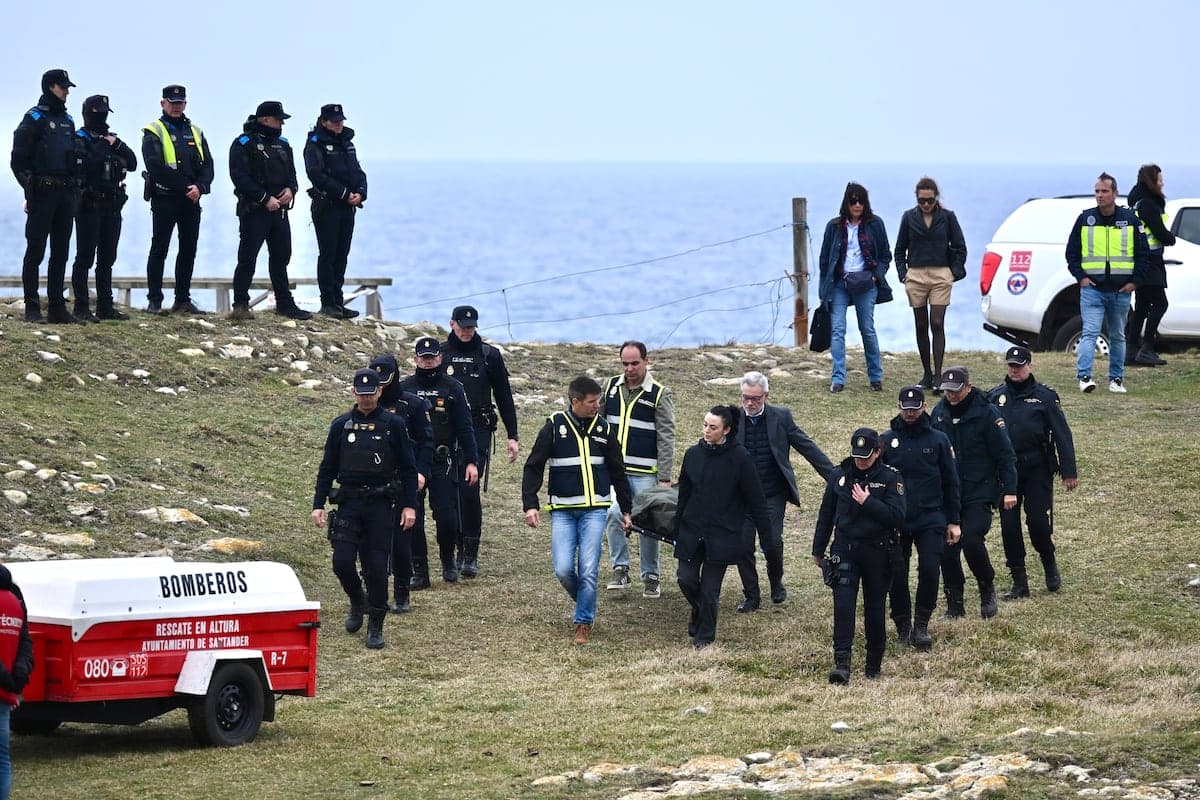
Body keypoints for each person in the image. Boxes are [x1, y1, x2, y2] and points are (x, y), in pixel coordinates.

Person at [312, 368, 418, 650]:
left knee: (376, 568)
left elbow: (408, 469)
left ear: (379, 393)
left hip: (382, 505)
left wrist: (410, 506)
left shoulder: (393, 425)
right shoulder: (341, 425)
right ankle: (358, 601)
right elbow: (327, 468)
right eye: (362, 393)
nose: (367, 398)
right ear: (353, 393)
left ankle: (376, 623)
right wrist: (318, 504)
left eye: (371, 393)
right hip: (348, 503)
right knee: (342, 561)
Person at [522, 376, 632, 646]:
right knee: (562, 569)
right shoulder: (554, 426)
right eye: (592, 402)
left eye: (598, 401)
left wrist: (627, 510)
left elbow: (618, 471)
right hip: (562, 511)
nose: (597, 406)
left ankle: (583, 621)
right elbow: (534, 465)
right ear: (575, 402)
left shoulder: (605, 429)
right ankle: (587, 600)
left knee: (589, 568)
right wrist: (530, 504)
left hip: (595, 511)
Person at [733, 371, 834, 612]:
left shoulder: (781, 417)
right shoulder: (732, 419)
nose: (749, 403)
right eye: (745, 397)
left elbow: (807, 446)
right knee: (742, 546)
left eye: (754, 398)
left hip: (771, 494)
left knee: (772, 542)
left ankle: (776, 581)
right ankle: (752, 595)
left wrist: (835, 477)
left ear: (766, 396)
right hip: (741, 497)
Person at [811, 428, 906, 682]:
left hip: (877, 552)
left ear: (877, 452)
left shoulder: (890, 478)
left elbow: (898, 516)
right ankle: (842, 663)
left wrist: (869, 502)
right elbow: (826, 513)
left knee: (875, 609)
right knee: (843, 607)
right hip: (845, 549)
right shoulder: (839, 476)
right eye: (857, 456)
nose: (860, 461)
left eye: (866, 456)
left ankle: (873, 665)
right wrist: (818, 549)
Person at [674, 405, 772, 649]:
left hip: (722, 534)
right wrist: (677, 528)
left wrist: (767, 537)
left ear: (726, 430)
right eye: (705, 425)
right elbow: (683, 494)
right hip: (692, 530)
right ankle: (698, 609)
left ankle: (705, 637)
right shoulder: (692, 454)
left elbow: (757, 500)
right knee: (685, 579)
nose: (706, 430)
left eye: (713, 427)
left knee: (710, 590)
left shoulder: (740, 458)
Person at [987, 346, 1078, 598]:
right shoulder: (995, 397)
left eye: (1019, 365)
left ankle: (1048, 560)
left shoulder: (1045, 397)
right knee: (1009, 527)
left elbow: (1062, 434)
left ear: (1030, 366)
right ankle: (1019, 581)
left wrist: (1069, 470)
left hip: (1037, 468)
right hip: (1007, 471)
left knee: (1038, 522)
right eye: (1011, 366)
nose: (1014, 370)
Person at [931, 366, 1017, 620]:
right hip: (948, 495)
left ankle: (986, 587)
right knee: (947, 548)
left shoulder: (987, 414)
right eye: (947, 392)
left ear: (968, 387)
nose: (952, 396)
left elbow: (1005, 455)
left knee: (971, 540)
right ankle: (954, 602)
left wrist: (1010, 489)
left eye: (956, 391)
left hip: (978, 491)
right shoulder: (939, 414)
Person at [441, 305, 520, 577]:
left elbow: (504, 397)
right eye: (462, 327)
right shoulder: (440, 354)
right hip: (446, 431)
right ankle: (453, 546)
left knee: (468, 488)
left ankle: (469, 553)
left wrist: (513, 435)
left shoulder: (489, 356)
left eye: (471, 327)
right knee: (448, 492)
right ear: (452, 324)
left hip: (478, 430)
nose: (466, 332)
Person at [882, 386, 961, 651]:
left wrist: (954, 521)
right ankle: (902, 624)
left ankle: (922, 623)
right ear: (898, 406)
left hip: (930, 516)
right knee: (897, 573)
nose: (910, 413)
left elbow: (951, 482)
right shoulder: (886, 441)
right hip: (898, 519)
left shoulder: (939, 440)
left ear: (924, 407)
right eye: (906, 407)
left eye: (915, 408)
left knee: (929, 568)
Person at [398, 337, 480, 587]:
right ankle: (420, 570)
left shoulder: (453, 387)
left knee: (446, 515)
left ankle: (448, 559)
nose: (428, 362)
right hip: (412, 462)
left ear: (440, 358)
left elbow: (465, 427)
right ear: (415, 359)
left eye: (432, 357)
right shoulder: (405, 389)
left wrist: (471, 461)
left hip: (443, 459)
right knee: (414, 516)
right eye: (423, 357)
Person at [602, 341, 675, 599]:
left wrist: (664, 477)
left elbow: (666, 437)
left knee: (647, 522)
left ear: (646, 360)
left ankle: (651, 575)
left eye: (635, 363)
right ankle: (620, 568)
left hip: (646, 472)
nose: (629, 369)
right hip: (615, 472)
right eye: (625, 364)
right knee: (613, 515)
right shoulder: (610, 387)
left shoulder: (659, 393)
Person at [11, 68, 84, 323]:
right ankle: (32, 308)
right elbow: (17, 161)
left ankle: (57, 307)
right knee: (36, 251)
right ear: (49, 87)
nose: (66, 92)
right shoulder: (34, 118)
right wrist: (29, 188)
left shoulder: (68, 121)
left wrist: (75, 187)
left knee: (61, 252)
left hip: (65, 195)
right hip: (42, 194)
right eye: (62, 87)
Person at [1066, 172, 1149, 394]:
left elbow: (1143, 254)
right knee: (1090, 332)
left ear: (1115, 194)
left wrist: (1135, 283)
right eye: (1097, 191)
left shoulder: (1130, 220)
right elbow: (1071, 253)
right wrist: (1081, 277)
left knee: (1117, 335)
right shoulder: (1085, 219)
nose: (1099, 196)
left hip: (1121, 291)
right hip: (1092, 290)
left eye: (1104, 191)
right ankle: (1084, 378)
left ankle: (1116, 380)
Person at [228, 101, 311, 321]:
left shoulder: (283, 144)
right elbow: (239, 177)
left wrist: (290, 190)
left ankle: (284, 303)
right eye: (278, 119)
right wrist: (265, 198)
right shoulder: (243, 143)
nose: (282, 123)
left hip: (280, 211)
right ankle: (241, 304)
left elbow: (292, 175)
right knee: (247, 258)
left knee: (281, 257)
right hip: (255, 210)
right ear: (265, 119)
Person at [142, 84, 214, 315]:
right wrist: (186, 187)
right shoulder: (153, 130)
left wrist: (201, 187)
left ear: (185, 104)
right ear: (163, 103)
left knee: (188, 249)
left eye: (180, 103)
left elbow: (208, 165)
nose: (176, 107)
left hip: (191, 200)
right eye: (172, 103)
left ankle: (182, 300)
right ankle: (155, 300)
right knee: (159, 249)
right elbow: (155, 166)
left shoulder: (195, 131)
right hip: (165, 198)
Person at [371, 354, 434, 614]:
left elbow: (426, 441)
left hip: (405, 478)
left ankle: (402, 591)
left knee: (402, 538)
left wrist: (421, 472)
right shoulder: (367, 405)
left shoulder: (413, 405)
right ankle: (374, 592)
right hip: (374, 480)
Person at [818, 182, 895, 393]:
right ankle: (838, 379)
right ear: (846, 202)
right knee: (837, 330)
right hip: (840, 284)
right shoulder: (833, 227)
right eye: (853, 201)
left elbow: (885, 256)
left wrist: (875, 278)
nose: (857, 205)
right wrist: (823, 292)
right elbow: (825, 260)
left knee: (867, 329)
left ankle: (875, 377)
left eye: (861, 201)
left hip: (866, 284)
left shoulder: (875, 224)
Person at [893, 176, 968, 391]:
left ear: (936, 198)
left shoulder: (948, 217)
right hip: (915, 275)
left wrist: (952, 273)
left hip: (940, 275)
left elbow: (960, 246)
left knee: (937, 322)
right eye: (922, 200)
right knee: (920, 324)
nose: (926, 205)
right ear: (917, 199)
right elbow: (899, 249)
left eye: (930, 200)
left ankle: (938, 375)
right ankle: (926, 374)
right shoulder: (908, 217)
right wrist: (903, 274)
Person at [70, 94, 137, 322]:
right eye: (98, 113)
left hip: (112, 204)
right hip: (89, 204)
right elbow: (85, 166)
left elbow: (133, 162)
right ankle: (81, 306)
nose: (102, 118)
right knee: (85, 257)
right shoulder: (79, 139)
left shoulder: (111, 139)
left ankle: (105, 306)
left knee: (107, 258)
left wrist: (115, 143)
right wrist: (100, 144)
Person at [304, 103, 367, 319]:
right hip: (327, 206)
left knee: (342, 254)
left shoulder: (347, 143)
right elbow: (316, 174)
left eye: (341, 121)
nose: (339, 125)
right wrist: (343, 193)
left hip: (347, 208)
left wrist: (360, 192)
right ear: (324, 121)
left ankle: (338, 301)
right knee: (328, 254)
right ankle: (328, 302)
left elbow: (358, 171)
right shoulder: (315, 144)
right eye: (334, 121)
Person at [1126, 164, 1175, 367]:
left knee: (1142, 306)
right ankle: (1146, 347)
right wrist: (1171, 238)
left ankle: (1130, 352)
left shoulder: (1137, 202)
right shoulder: (1147, 204)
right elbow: (1161, 233)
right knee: (1161, 304)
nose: (1162, 182)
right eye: (1159, 178)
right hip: (1150, 261)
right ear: (1151, 180)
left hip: (1140, 261)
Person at [0, 564, 35, 800]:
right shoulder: (15, 601)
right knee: (2, 760)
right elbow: (24, 644)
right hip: (4, 696)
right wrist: (15, 683)